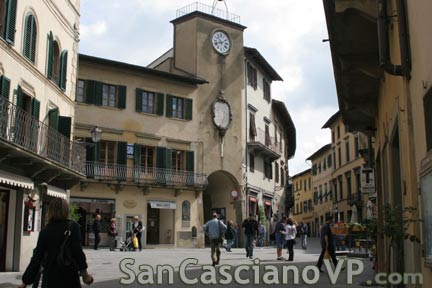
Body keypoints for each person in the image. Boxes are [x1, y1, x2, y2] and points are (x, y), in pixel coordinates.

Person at [19, 198, 93, 288]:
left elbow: (37, 258)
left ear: (50, 211)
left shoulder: (45, 231)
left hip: (50, 279)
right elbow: (78, 252)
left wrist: (26, 281)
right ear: (66, 210)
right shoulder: (73, 227)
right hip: (69, 278)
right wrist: (85, 275)